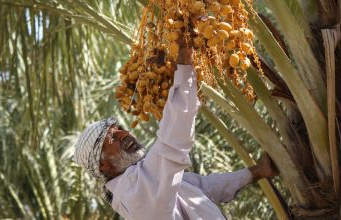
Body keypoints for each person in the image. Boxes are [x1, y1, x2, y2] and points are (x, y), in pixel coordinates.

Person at [74, 39, 279, 219]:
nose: (124, 134)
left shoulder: (143, 180)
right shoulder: (135, 192)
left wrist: (258, 171)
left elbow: (203, 188)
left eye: (119, 129)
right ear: (104, 166)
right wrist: (184, 65)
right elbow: (172, 143)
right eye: (112, 138)